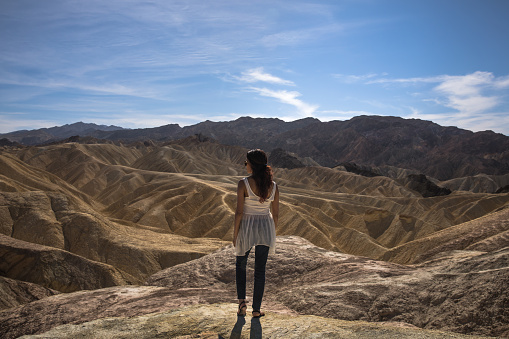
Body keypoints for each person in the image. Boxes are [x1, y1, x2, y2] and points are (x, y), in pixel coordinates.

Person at [233, 149, 279, 318]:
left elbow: (239, 212)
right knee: (260, 270)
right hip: (265, 227)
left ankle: (242, 304)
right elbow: (276, 213)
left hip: (247, 226)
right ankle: (257, 310)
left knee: (241, 266)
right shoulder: (273, 186)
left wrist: (235, 233)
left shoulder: (243, 183)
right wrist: (271, 233)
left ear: (252, 165)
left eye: (246, 163)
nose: (246, 166)